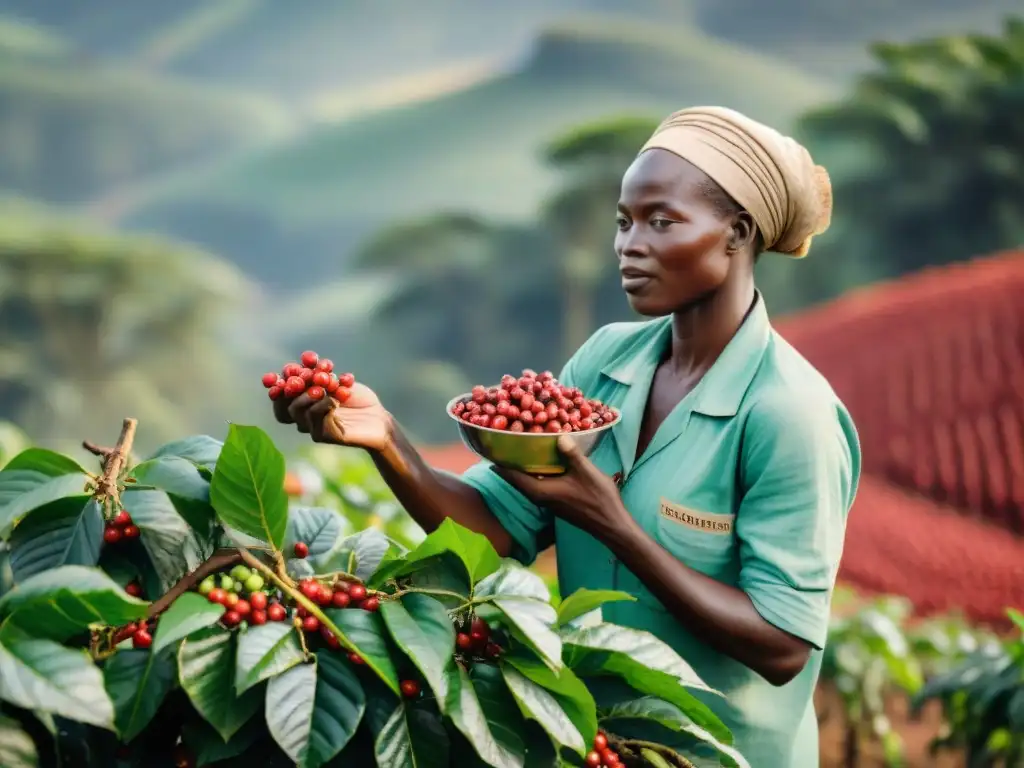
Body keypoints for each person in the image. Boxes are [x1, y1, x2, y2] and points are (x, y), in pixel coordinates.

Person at [274, 106, 861, 767]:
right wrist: (387, 440)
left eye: (661, 222)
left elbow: (781, 645)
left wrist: (613, 524)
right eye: (624, 221)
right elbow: (496, 530)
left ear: (736, 233)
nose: (628, 244)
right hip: (593, 746)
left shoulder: (790, 414)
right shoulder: (607, 362)